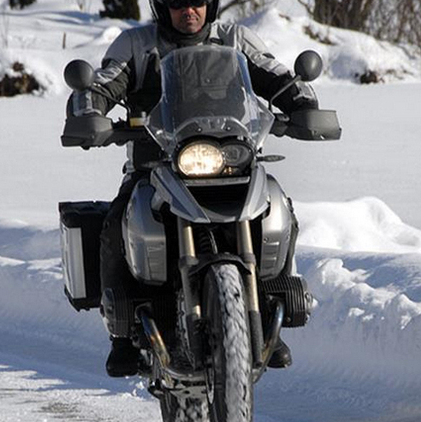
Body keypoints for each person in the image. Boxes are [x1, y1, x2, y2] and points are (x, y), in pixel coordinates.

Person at [71, 0, 319, 377]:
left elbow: (277, 75)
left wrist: (300, 102)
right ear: (160, 6)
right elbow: (103, 84)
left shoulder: (235, 39)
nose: (189, 10)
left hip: (233, 159)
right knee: (116, 222)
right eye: (177, 3)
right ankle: (121, 338)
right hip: (155, 165)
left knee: (277, 208)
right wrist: (89, 112)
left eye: (198, 1)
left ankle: (268, 313)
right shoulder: (135, 45)